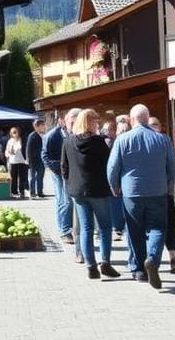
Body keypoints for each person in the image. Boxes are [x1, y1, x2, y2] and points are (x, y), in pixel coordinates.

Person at [107, 104, 175, 290]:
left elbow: (113, 167)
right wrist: (170, 184)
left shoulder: (122, 140)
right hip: (158, 191)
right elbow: (174, 167)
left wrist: (114, 185)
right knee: (158, 228)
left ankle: (139, 270)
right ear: (147, 119)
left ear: (131, 120)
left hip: (131, 193)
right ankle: (153, 259)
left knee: (134, 230)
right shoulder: (163, 139)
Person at [61, 109, 120, 280]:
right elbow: (109, 166)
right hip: (98, 190)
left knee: (86, 228)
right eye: (95, 120)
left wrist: (71, 184)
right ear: (89, 122)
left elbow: (64, 167)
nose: (98, 123)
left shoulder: (68, 142)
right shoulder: (99, 142)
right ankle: (106, 263)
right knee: (105, 227)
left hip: (78, 191)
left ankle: (91, 266)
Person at [42, 109, 79, 245]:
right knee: (65, 200)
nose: (75, 124)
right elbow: (45, 156)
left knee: (65, 200)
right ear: (63, 121)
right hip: (59, 172)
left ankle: (66, 228)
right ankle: (64, 230)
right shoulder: (52, 135)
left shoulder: (73, 134)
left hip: (71, 172)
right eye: (72, 121)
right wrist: (60, 168)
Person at [5, 127, 28, 198]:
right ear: (11, 134)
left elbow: (25, 149)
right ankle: (13, 191)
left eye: (16, 132)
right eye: (13, 132)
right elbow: (7, 151)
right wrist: (8, 153)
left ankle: (22, 192)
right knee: (13, 177)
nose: (15, 134)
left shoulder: (22, 140)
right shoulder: (10, 141)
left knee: (21, 177)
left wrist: (27, 158)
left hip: (21, 161)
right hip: (13, 161)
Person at [26, 120, 46, 198]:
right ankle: (32, 193)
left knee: (40, 177)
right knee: (33, 178)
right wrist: (28, 159)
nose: (44, 127)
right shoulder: (32, 135)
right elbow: (28, 149)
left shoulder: (43, 135)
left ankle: (40, 192)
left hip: (41, 160)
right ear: (37, 126)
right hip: (33, 160)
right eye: (42, 125)